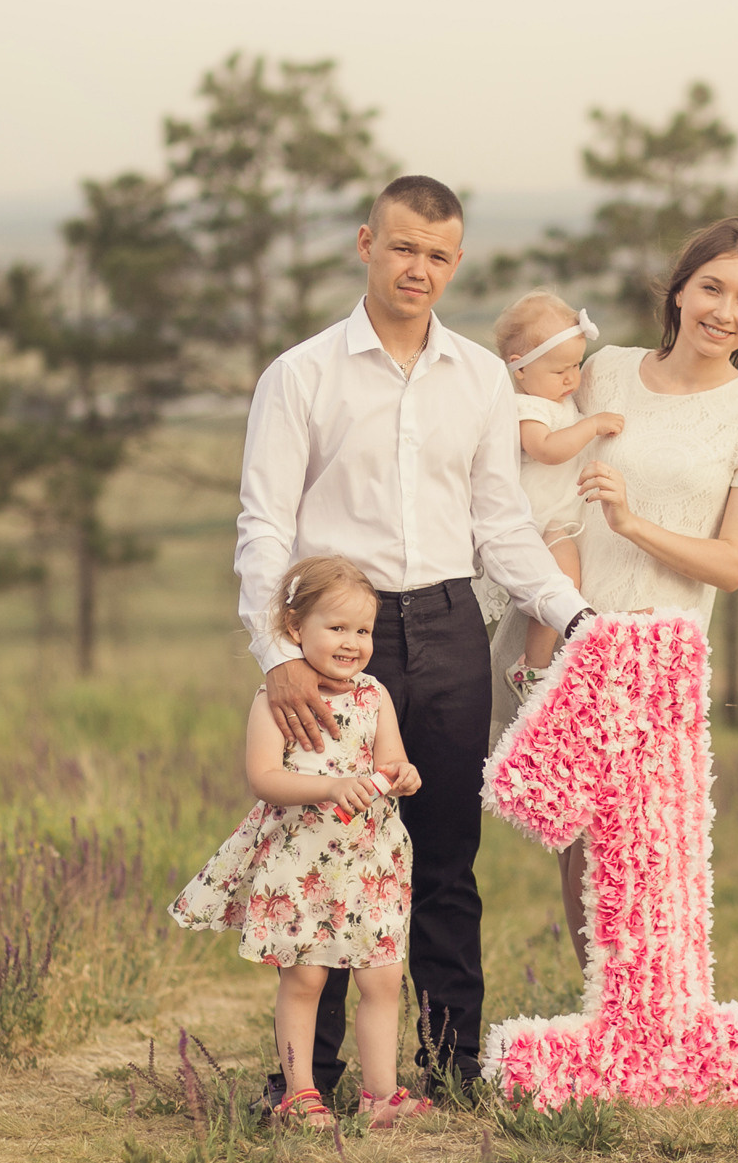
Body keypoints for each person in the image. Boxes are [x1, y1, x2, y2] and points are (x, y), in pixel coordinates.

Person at [235, 175, 596, 1105]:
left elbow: (501, 525)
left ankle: (447, 1067)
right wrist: (278, 655)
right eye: (403, 247)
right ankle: (305, 1081)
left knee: (441, 857)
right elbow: (264, 528)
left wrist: (572, 613)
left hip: (446, 629)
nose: (418, 268)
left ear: (457, 262)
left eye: (438, 255)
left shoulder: (479, 375)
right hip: (331, 646)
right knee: (323, 855)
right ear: (366, 243)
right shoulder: (302, 374)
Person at [541, 217, 738, 971]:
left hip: (660, 657)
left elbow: (732, 563)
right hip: (570, 639)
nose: (725, 310)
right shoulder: (606, 372)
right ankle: (605, 1024)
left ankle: (658, 1022)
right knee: (582, 847)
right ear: (679, 290)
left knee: (651, 848)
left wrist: (631, 522)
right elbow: (530, 438)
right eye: (711, 287)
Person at [168, 556, 431, 1130]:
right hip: (303, 858)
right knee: (306, 975)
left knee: (383, 975)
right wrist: (330, 786)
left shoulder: (374, 694)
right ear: (295, 629)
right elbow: (264, 778)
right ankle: (299, 1091)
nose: (352, 642)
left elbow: (389, 759)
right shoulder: (274, 699)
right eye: (336, 628)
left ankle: (380, 1094)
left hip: (369, 859)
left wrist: (402, 774)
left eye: (362, 631)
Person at [478, 290, 624, 701]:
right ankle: (533, 668)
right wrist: (591, 425)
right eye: (559, 370)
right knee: (560, 582)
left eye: (576, 366)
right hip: (536, 517)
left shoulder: (557, 400)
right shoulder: (526, 408)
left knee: (565, 583)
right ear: (520, 370)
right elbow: (547, 448)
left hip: (560, 514)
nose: (571, 379)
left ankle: (535, 665)